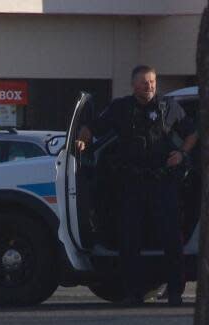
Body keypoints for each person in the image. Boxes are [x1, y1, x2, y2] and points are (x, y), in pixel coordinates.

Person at [76, 65, 198, 306]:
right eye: (144, 83)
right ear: (133, 85)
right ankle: (133, 293)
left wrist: (182, 154)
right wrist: (81, 139)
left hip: (163, 183)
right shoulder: (120, 109)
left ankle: (175, 292)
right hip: (132, 184)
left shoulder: (169, 107)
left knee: (171, 239)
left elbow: (193, 133)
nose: (150, 86)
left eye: (152, 82)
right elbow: (92, 128)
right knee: (130, 239)